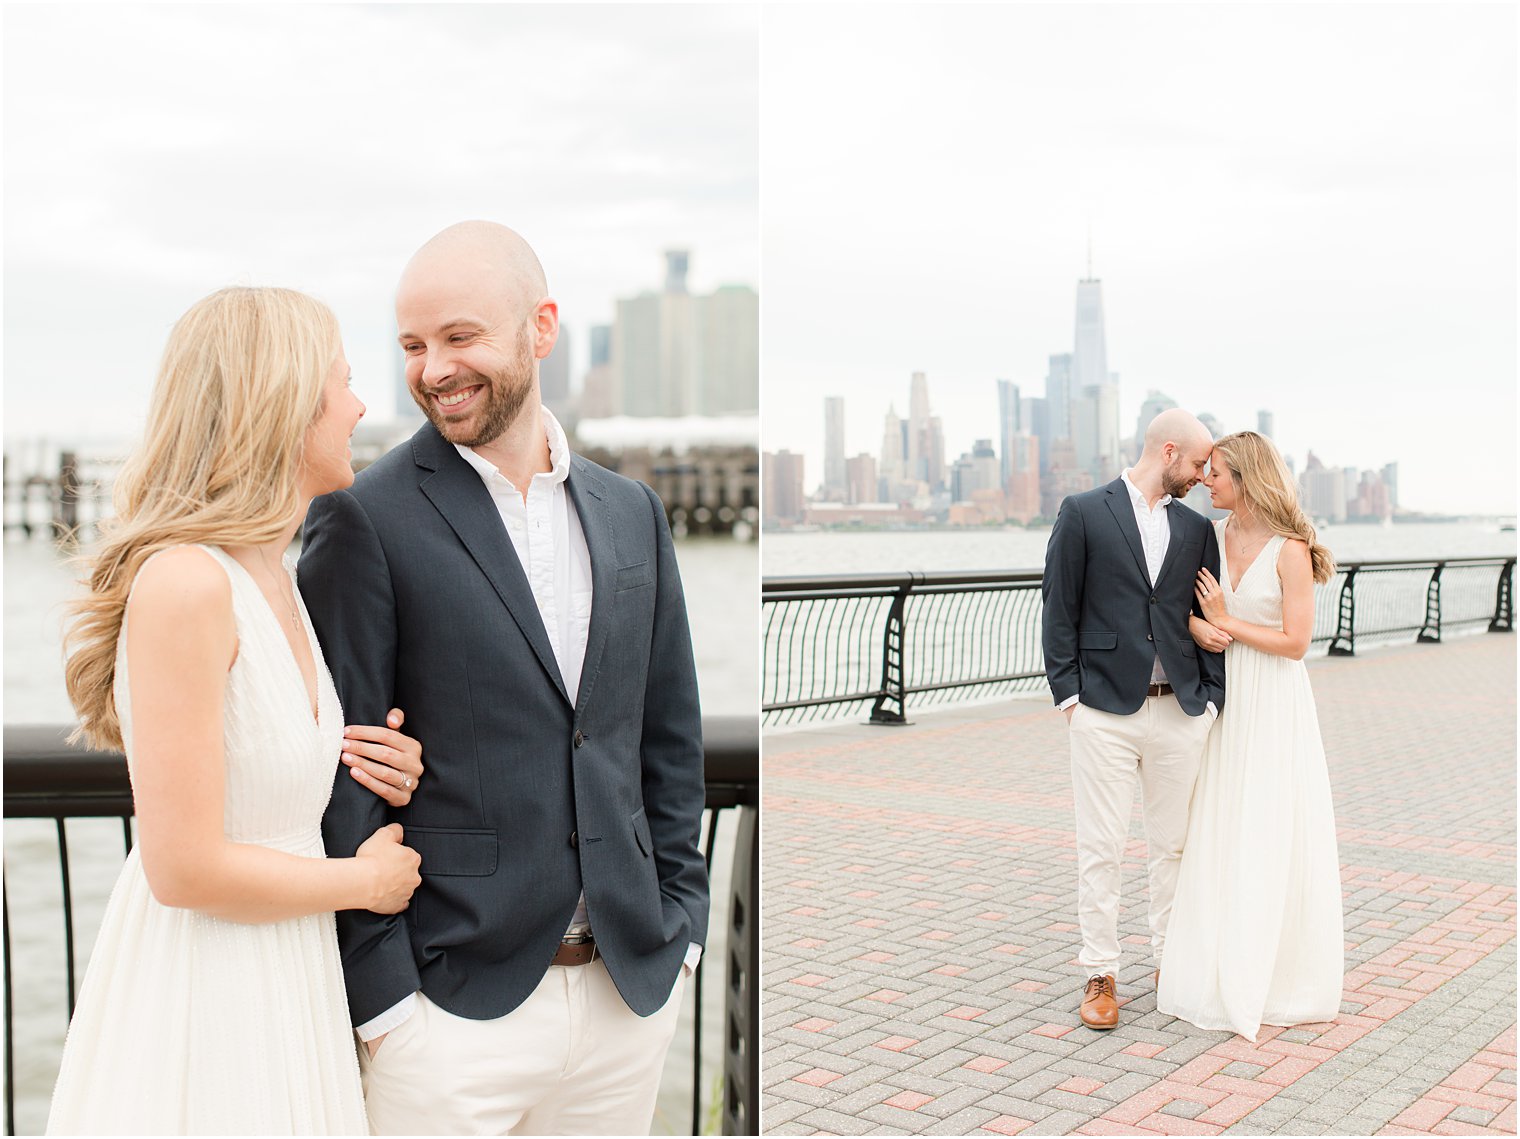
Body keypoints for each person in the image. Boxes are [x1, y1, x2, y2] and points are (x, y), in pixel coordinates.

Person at [298, 220, 709, 1136]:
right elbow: (340, 773)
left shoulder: (632, 511)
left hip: (626, 994)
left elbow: (667, 735)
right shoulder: (362, 520)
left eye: (459, 336)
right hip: (447, 1015)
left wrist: (682, 927)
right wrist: (388, 1007)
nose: (433, 368)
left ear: (541, 327)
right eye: (412, 345)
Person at [48, 286, 427, 1135]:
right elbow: (181, 866)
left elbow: (264, 768)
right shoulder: (187, 582)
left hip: (287, 965)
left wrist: (376, 762)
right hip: (209, 986)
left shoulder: (275, 574)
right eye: (343, 382)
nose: (363, 406)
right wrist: (365, 881)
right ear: (285, 402)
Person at [1040, 408, 1226, 1031]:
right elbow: (1058, 608)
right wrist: (1070, 698)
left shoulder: (1199, 530)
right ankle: (1100, 972)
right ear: (1168, 451)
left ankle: (1171, 965)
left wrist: (1211, 701)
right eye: (1199, 463)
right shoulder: (1084, 511)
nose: (1203, 476)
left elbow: (1206, 618)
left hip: (1180, 710)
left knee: (1171, 848)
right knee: (1101, 848)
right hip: (1103, 713)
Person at [1158, 431, 1344, 1039]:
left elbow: (1295, 643)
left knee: (1268, 823)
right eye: (1204, 471)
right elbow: (1174, 611)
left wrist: (1227, 623)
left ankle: (1274, 974)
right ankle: (1212, 962)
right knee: (1218, 821)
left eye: (1215, 473)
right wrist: (1197, 623)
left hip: (1274, 699)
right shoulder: (1207, 538)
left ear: (1246, 477)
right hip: (1222, 695)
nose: (1205, 481)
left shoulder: (1290, 550)